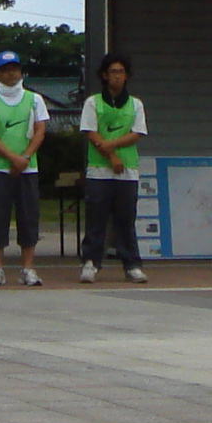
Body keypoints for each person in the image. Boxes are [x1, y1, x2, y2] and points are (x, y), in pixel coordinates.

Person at [0, 50, 47, 288]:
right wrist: (12, 159)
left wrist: (24, 157)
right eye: (5, 69)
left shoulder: (34, 100)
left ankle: (28, 268)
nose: (10, 73)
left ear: (21, 71)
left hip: (28, 169)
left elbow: (40, 131)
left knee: (28, 218)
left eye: (14, 68)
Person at [78, 54, 149, 285]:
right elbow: (90, 131)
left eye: (121, 72)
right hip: (99, 170)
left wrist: (113, 146)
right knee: (96, 217)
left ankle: (132, 265)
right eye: (113, 72)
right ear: (104, 75)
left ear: (126, 75)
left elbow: (136, 133)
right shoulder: (93, 102)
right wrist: (109, 154)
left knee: (125, 219)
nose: (117, 76)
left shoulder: (135, 104)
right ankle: (90, 262)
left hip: (127, 171)